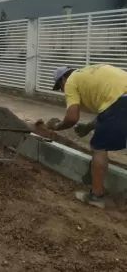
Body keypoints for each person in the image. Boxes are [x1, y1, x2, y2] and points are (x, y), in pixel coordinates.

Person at [46, 64, 127, 209]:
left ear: (63, 79)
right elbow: (106, 113)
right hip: (121, 99)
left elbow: (72, 118)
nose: (62, 91)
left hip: (120, 102)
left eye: (60, 87)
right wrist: (88, 127)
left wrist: (57, 126)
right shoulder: (88, 74)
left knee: (99, 147)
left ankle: (96, 196)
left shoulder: (71, 81)